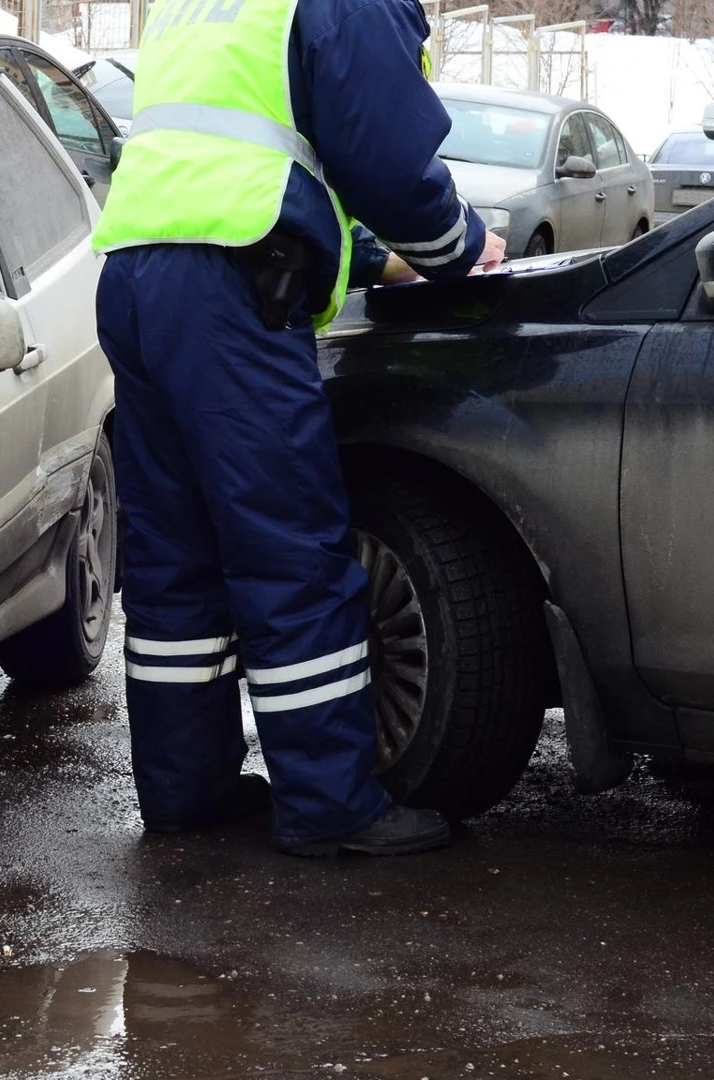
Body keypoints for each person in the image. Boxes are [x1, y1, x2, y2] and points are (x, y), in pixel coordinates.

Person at [90, 0, 505, 857]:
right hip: (232, 286)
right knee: (287, 543)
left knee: (175, 553)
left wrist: (360, 252)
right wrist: (460, 248)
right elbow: (386, 161)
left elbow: (259, 160)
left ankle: (186, 789)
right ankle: (329, 803)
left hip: (136, 272)